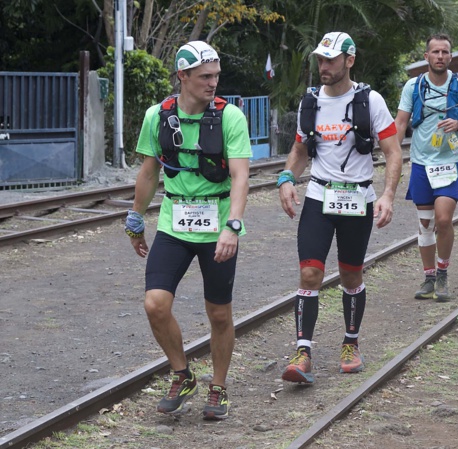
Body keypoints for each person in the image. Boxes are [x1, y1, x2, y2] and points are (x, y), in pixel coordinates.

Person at [126, 41, 251, 420]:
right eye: (204, 77)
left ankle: (219, 386)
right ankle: (182, 374)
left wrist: (233, 225)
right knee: (155, 304)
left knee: (218, 314)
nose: (213, 84)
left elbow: (241, 174)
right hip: (174, 221)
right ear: (183, 76)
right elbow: (149, 171)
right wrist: (135, 218)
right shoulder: (157, 116)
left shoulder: (230, 118)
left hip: (217, 224)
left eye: (215, 76)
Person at [277, 31, 402, 383]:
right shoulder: (310, 102)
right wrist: (286, 179)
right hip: (319, 196)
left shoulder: (371, 101)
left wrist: (388, 194)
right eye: (320, 59)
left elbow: (393, 152)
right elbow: (300, 152)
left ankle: (350, 342)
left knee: (350, 274)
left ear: (349, 60)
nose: (323, 66)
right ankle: (303, 352)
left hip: (357, 199)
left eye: (330, 60)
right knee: (310, 273)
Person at [395, 33, 458, 301]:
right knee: (425, 224)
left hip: (449, 162)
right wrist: (393, 155)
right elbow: (400, 123)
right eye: (435, 52)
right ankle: (429, 277)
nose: (440, 57)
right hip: (422, 163)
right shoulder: (413, 86)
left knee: (443, 220)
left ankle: (443, 274)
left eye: (445, 52)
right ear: (426, 56)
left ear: (451, 56)